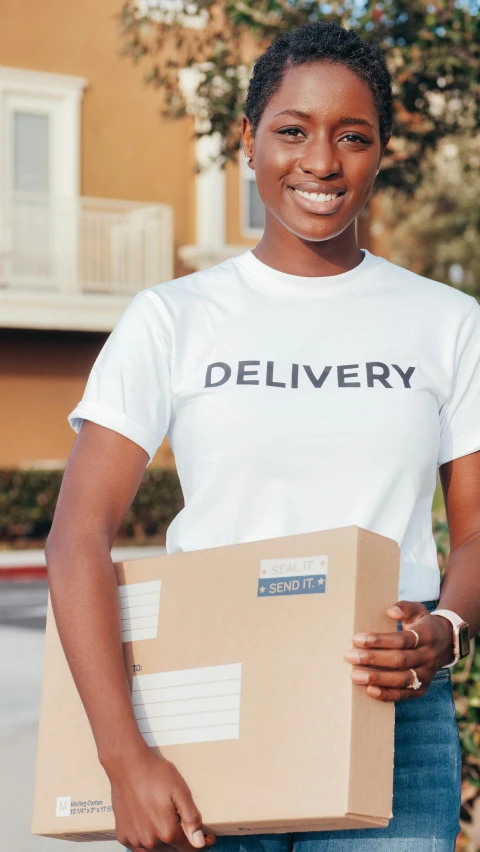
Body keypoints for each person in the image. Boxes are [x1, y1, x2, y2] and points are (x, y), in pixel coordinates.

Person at [46, 20, 480, 852]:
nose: (320, 162)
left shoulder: (449, 323)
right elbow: (77, 537)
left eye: (352, 137)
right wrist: (123, 755)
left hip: (390, 710)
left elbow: (475, 530)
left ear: (381, 149)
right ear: (248, 141)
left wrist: (448, 629)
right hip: (204, 709)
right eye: (291, 131)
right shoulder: (172, 318)